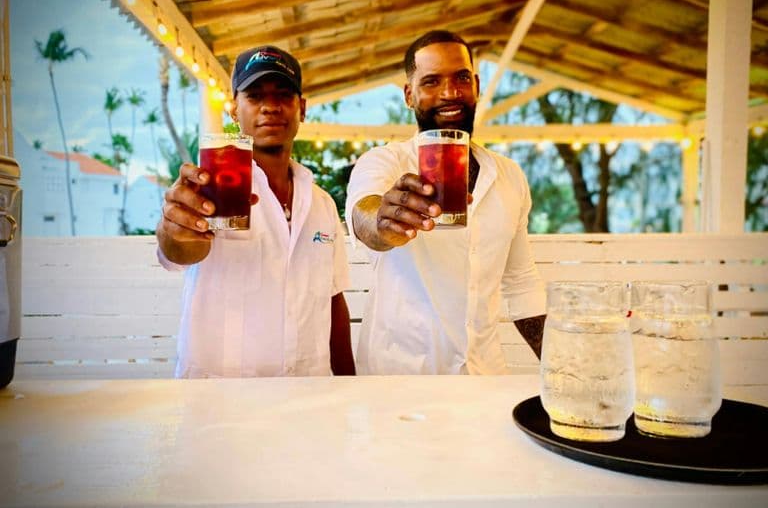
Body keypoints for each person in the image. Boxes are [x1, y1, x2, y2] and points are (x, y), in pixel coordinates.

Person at [345, 30, 546, 375]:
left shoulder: (510, 176)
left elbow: (521, 282)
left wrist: (565, 370)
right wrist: (385, 220)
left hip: (484, 377)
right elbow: (365, 218)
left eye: (461, 78)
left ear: (477, 85)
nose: (450, 93)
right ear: (409, 95)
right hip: (400, 383)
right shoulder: (383, 162)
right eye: (432, 81)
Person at [157, 45, 355, 378]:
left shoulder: (321, 202)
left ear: (301, 108)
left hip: (309, 398)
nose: (270, 107)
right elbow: (178, 250)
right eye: (254, 96)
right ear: (234, 110)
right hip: (221, 402)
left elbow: (333, 301)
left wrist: (350, 389)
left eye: (283, 95)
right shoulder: (209, 188)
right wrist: (173, 228)